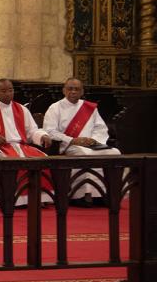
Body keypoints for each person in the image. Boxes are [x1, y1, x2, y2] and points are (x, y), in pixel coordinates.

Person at [0, 78, 52, 206]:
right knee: (14, 161)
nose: (8, 94)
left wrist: (43, 135)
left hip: (22, 145)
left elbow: (32, 131)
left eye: (10, 90)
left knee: (42, 159)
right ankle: (15, 199)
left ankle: (37, 197)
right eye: (4, 91)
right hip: (1, 146)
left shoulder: (21, 109)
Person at [43, 78, 119, 206]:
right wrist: (72, 140)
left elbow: (100, 128)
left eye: (77, 89)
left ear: (82, 91)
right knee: (85, 154)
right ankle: (81, 195)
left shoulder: (89, 107)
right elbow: (50, 131)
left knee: (115, 153)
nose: (73, 92)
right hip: (69, 145)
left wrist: (94, 140)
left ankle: (105, 194)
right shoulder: (55, 108)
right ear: (64, 90)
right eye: (70, 89)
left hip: (92, 144)